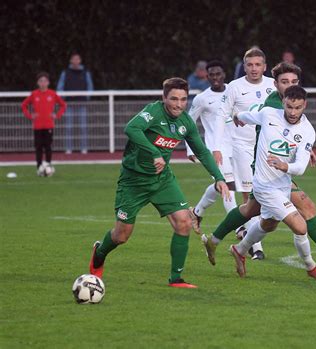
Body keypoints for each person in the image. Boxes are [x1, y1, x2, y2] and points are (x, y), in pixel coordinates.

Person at [201, 62, 316, 278]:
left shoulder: (303, 120)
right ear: (276, 86)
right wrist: (238, 117)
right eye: (285, 82)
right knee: (302, 216)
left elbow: (298, 147)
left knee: (262, 218)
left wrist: (299, 153)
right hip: (265, 175)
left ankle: (224, 244)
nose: (289, 86)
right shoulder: (272, 107)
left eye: (293, 82)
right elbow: (255, 118)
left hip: (282, 176)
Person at [88, 77, 230, 289]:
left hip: (162, 180)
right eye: (173, 99)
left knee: (184, 222)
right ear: (164, 98)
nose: (178, 104)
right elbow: (131, 128)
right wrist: (154, 152)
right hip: (133, 181)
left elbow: (201, 150)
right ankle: (99, 253)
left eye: (183, 99)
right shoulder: (153, 112)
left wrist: (219, 178)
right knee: (121, 235)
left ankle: (176, 279)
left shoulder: (185, 122)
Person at [229, 85, 316, 281]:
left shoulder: (308, 131)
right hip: (263, 185)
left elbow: (300, 167)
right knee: (300, 226)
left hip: (283, 185)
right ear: (283, 102)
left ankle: (239, 249)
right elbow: (249, 115)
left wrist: (285, 166)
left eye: (298, 108)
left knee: (268, 225)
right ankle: (312, 267)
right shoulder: (269, 114)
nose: (293, 112)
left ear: (305, 106)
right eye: (289, 107)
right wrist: (238, 116)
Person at [208, 47, 276, 260]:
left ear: (264, 67)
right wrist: (216, 147)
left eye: (258, 65)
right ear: (243, 66)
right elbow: (221, 116)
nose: (254, 69)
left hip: (268, 148)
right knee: (250, 196)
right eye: (250, 65)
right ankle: (257, 248)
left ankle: (226, 239)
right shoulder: (235, 87)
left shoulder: (273, 85)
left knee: (267, 198)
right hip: (242, 147)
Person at [185, 61, 237, 228]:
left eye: (218, 74)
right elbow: (188, 123)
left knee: (221, 185)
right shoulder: (202, 99)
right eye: (211, 75)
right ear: (207, 77)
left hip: (239, 147)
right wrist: (189, 148)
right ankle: (240, 228)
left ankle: (197, 212)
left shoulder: (234, 90)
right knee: (229, 186)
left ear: (224, 75)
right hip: (216, 149)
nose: (215, 78)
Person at [21, 72, 66, 171]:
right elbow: (23, 105)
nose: (43, 83)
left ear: (48, 83)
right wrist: (30, 115)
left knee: (48, 146)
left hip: (49, 125)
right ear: (37, 83)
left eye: (45, 81)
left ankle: (48, 165)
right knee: (38, 147)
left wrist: (57, 115)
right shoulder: (34, 94)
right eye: (41, 81)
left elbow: (63, 105)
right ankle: (39, 167)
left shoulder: (52, 94)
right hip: (37, 126)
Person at [57, 52, 94, 154]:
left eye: (77, 59)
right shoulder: (65, 72)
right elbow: (60, 87)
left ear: (80, 61)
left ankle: (84, 148)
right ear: (71, 61)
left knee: (83, 127)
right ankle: (69, 149)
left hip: (82, 104)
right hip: (69, 104)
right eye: (74, 59)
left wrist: (87, 97)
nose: (76, 61)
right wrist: (63, 97)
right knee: (69, 128)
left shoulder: (85, 72)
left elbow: (90, 87)